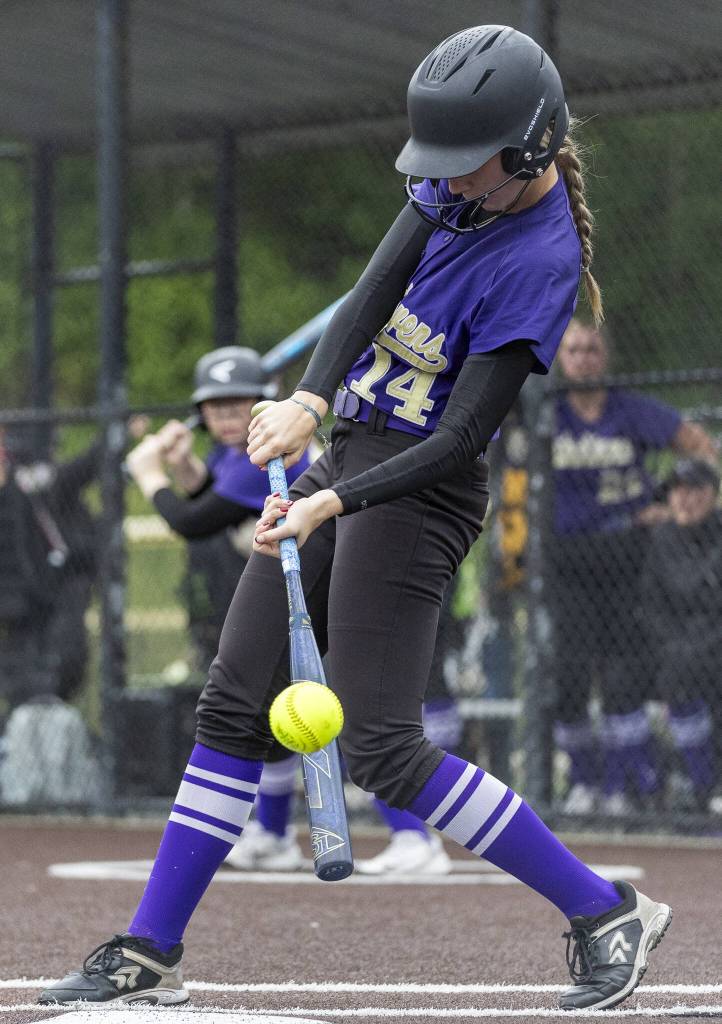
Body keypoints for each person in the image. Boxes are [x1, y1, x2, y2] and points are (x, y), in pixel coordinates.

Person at [40, 26, 672, 1012]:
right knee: (230, 703)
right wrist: (309, 399)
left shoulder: (539, 261)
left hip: (419, 495)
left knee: (382, 746)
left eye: (465, 166)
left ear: (530, 152)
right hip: (348, 454)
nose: (444, 183)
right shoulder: (455, 188)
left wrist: (330, 498)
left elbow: (461, 438)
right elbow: (369, 293)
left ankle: (604, 910)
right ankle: (150, 950)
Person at [126, 345, 312, 857]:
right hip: (285, 593)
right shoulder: (235, 455)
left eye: (239, 405)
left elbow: (193, 522)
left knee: (304, 715)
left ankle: (408, 836)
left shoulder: (269, 455)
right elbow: (219, 500)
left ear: (263, 404)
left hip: (310, 595)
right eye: (215, 407)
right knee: (272, 714)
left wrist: (149, 473)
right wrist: (185, 465)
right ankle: (273, 834)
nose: (227, 417)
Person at [550, 320, 717, 817]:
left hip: (627, 560)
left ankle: (635, 785)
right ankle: (586, 782)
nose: (583, 359)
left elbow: (698, 444)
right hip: (567, 564)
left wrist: (674, 506)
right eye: (573, 350)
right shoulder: (546, 412)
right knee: (567, 679)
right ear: (561, 359)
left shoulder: (629, 410)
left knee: (624, 678)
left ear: (606, 356)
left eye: (592, 349)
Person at [641, 458, 721, 813]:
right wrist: (676, 645)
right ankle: (701, 784)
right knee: (678, 673)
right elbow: (653, 606)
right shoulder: (662, 539)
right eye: (676, 491)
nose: (683, 499)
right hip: (678, 648)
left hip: (716, 642)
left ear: (712, 494)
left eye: (693, 490)